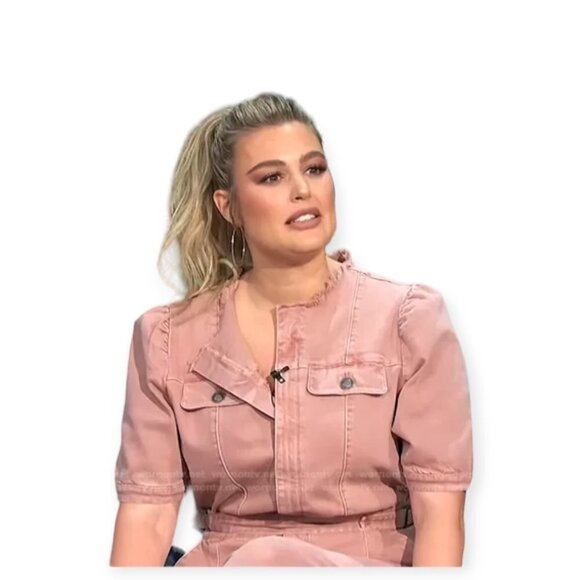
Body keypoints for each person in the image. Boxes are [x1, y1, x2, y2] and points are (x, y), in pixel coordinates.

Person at [109, 92, 473, 567]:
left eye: (314, 169)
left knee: (268, 559)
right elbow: (148, 516)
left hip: (367, 564)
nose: (302, 189)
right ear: (228, 206)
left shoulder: (409, 320)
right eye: (272, 177)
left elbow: (440, 515)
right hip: (224, 568)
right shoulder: (166, 339)